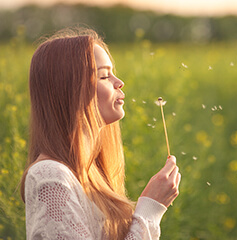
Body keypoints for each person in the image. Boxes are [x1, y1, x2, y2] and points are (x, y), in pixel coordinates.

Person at [20, 28, 181, 240]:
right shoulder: (50, 177)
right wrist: (150, 208)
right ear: (72, 89)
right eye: (104, 75)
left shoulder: (92, 173)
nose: (119, 82)